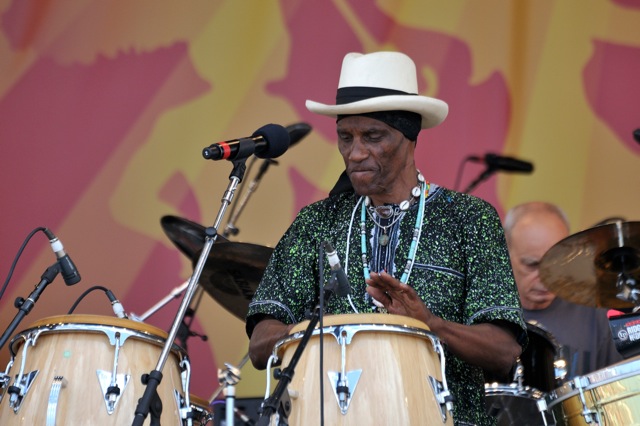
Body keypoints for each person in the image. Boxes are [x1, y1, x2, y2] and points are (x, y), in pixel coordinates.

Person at [246, 51, 526, 426]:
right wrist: (317, 334)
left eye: (373, 136)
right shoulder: (316, 223)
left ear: (410, 138)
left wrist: (428, 324)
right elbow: (261, 345)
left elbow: (504, 351)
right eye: (345, 137)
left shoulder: (469, 220)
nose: (356, 152)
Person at [504, 201, 622, 379]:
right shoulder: (481, 312)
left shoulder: (597, 313)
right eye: (532, 265)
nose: (545, 278)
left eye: (555, 263)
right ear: (503, 255)